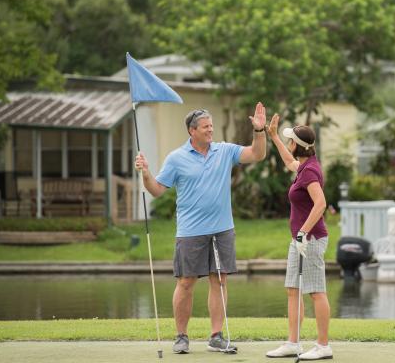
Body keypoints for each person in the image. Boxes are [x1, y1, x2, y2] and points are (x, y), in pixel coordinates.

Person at [134, 102, 267, 354]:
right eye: (206, 127)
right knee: (186, 283)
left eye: (212, 126)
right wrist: (146, 173)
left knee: (219, 280)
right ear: (192, 131)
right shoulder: (176, 158)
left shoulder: (224, 150)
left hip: (222, 230)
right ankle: (181, 336)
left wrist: (259, 131)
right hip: (190, 232)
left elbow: (257, 154)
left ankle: (216, 336)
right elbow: (157, 190)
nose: (210, 130)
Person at [265, 114, 332, 360]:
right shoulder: (303, 166)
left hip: (311, 239)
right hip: (299, 239)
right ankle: (293, 342)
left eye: (290, 140)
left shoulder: (310, 171)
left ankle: (323, 346)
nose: (289, 144)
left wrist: (304, 232)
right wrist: (272, 136)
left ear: (298, 145)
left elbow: (321, 204)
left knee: (316, 291)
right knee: (293, 289)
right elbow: (288, 161)